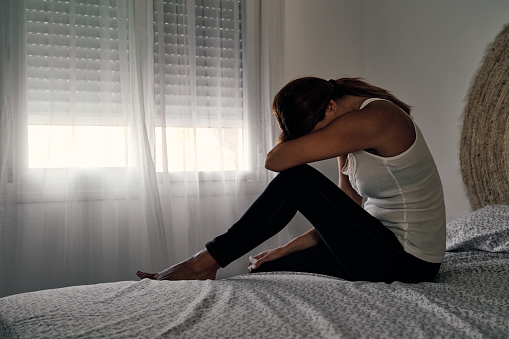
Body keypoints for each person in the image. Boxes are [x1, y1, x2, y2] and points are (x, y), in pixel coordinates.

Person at [137, 77, 446, 283]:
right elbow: (344, 209)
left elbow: (276, 161)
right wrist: (286, 249)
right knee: (266, 268)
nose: (318, 141)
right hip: (377, 244)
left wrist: (295, 140)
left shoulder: (378, 119)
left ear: (331, 107)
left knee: (298, 177)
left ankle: (203, 263)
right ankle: (209, 263)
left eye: (316, 132)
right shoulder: (346, 128)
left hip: (410, 261)